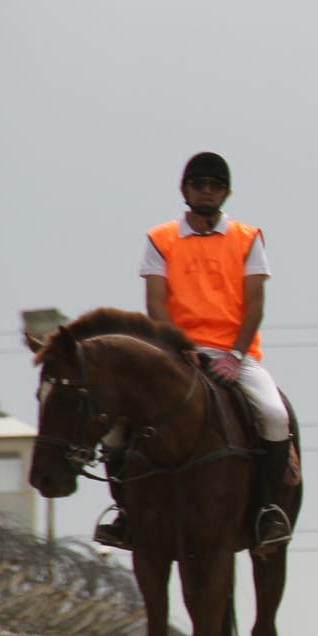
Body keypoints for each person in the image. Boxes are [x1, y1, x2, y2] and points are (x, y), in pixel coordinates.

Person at [94, 151, 293, 552]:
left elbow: (254, 306)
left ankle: (267, 509)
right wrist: (180, 351)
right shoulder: (160, 238)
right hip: (174, 354)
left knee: (274, 416)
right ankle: (123, 513)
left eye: (214, 185)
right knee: (116, 426)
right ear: (184, 190)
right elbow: (156, 303)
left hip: (234, 355)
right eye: (199, 184)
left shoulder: (248, 238)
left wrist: (233, 357)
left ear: (227, 192)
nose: (206, 191)